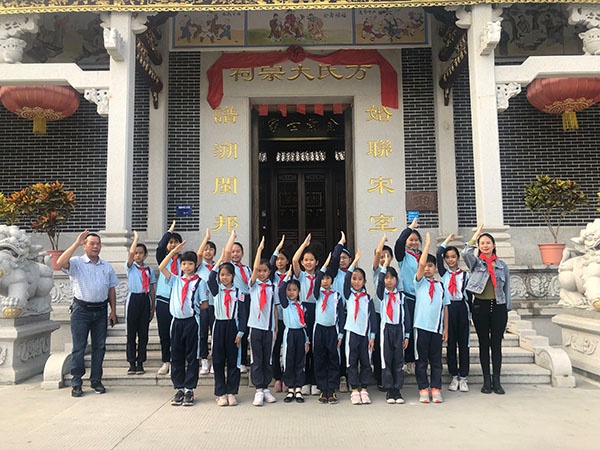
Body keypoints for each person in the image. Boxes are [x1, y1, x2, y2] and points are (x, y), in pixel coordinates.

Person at [57, 230, 119, 398]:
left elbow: (111, 289)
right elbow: (60, 262)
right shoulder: (77, 263)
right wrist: (76, 243)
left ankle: (96, 380)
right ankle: (77, 382)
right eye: (91, 243)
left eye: (98, 244)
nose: (95, 246)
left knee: (99, 347)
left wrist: (113, 311)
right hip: (81, 311)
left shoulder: (106, 266)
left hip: (101, 311)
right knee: (79, 347)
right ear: (85, 246)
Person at [462, 224, 511, 395]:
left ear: (494, 245)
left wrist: (507, 308)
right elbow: (465, 253)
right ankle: (486, 381)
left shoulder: (502, 265)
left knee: (496, 344)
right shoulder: (476, 263)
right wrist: (475, 237)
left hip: (498, 307)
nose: (485, 245)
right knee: (484, 344)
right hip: (480, 307)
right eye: (482, 243)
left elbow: (507, 288)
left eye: (488, 242)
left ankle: (497, 380)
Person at [159, 241, 208, 407]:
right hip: (177, 322)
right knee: (176, 355)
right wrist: (173, 252)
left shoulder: (200, 282)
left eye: (190, 264)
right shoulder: (175, 280)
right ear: (181, 265)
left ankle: (189, 389)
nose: (187, 267)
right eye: (184, 264)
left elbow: (204, 303)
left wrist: (199, 316)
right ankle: (179, 388)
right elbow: (162, 267)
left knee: (192, 356)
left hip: (192, 322)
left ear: (195, 265)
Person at [208, 233, 248, 407]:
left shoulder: (239, 293)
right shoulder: (216, 290)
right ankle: (220, 392)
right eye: (222, 275)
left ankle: (232, 391)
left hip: (233, 326)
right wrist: (219, 263)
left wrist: (241, 332)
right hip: (219, 326)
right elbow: (211, 277)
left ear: (233, 276)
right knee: (218, 360)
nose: (224, 277)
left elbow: (242, 314)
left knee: (233, 360)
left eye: (227, 275)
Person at [413, 233, 449, 404]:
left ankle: (436, 388)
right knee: (421, 361)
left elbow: (445, 308)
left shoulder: (441, 286)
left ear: (435, 268)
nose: (427, 268)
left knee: (436, 361)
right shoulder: (419, 283)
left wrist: (445, 328)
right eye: (425, 266)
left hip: (436, 329)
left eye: (430, 266)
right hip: (421, 327)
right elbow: (420, 265)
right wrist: (427, 245)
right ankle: (423, 388)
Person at [437, 233, 471, 392]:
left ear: (458, 258)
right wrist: (446, 241)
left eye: (453, 257)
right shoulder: (444, 274)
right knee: (450, 344)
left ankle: (463, 377)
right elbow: (438, 253)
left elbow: (469, 296)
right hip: (448, 308)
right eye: (448, 257)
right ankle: (454, 375)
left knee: (463, 344)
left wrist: (470, 315)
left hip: (461, 308)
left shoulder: (465, 275)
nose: (450, 260)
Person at [343, 249, 377, 405]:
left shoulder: (368, 298)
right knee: (351, 361)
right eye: (354, 279)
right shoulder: (348, 295)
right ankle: (354, 389)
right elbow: (346, 279)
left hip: (365, 334)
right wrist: (354, 261)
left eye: (360, 279)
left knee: (365, 362)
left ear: (365, 281)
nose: (356, 282)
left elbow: (372, 318)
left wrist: (372, 336)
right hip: (352, 333)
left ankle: (364, 388)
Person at [248, 237, 278, 407]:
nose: (261, 273)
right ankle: (258, 389)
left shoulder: (273, 287)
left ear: (269, 272)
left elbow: (275, 308)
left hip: (269, 328)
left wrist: (276, 328)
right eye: (259, 270)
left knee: (267, 358)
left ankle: (266, 387)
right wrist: (259, 250)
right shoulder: (253, 285)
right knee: (257, 358)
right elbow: (254, 269)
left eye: (264, 271)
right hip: (255, 327)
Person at [313, 249, 346, 404]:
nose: (325, 281)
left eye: (328, 278)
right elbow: (317, 280)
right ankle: (322, 388)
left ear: (332, 280)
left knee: (333, 358)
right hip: (319, 329)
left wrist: (341, 334)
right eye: (323, 278)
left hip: (333, 330)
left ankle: (332, 388)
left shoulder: (336, 296)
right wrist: (325, 265)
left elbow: (341, 316)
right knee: (320, 358)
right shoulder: (317, 294)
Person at [377, 253, 410, 404]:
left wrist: (407, 335)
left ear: (397, 280)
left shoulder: (401, 296)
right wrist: (384, 266)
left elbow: (406, 316)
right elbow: (379, 282)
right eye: (386, 278)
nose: (389, 280)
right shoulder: (382, 295)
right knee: (387, 359)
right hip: (386, 330)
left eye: (392, 278)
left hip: (399, 330)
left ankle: (397, 389)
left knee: (398, 360)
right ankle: (389, 389)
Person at [125, 231, 156, 375]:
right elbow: (130, 254)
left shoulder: (149, 270)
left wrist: (153, 306)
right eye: (136, 253)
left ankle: (140, 362)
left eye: (141, 253)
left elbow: (152, 288)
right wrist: (135, 240)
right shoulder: (130, 267)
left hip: (145, 300)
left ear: (145, 255)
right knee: (131, 333)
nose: (138, 255)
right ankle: (131, 362)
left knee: (143, 333)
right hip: (133, 299)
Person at [155, 220, 183, 376]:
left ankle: (177, 360)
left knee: (178, 333)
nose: (173, 245)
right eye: (170, 242)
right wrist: (169, 231)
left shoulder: (185, 261)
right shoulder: (163, 259)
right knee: (164, 332)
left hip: (178, 300)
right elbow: (160, 247)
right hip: (164, 299)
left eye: (175, 242)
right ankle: (166, 361)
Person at [292, 234, 319, 396]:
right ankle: (303, 381)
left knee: (315, 347)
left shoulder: (320, 277)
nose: (308, 262)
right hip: (302, 311)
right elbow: (294, 260)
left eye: (311, 260)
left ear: (316, 262)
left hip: (317, 311)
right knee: (303, 348)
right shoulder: (301, 275)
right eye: (306, 260)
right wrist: (304, 245)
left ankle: (314, 381)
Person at [279, 267, 310, 403]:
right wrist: (288, 276)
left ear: (299, 291)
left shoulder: (302, 306)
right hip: (290, 334)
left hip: (300, 334)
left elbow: (305, 325)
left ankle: (298, 388)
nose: (291, 292)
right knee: (289, 360)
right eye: (289, 290)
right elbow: (280, 290)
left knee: (300, 361)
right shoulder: (286, 304)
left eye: (294, 290)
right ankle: (290, 388)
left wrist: (307, 340)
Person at [394, 217, 422, 371]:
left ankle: (420, 358)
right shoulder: (403, 256)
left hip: (422, 298)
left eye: (416, 240)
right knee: (408, 328)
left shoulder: (423, 256)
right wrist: (410, 228)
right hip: (408, 297)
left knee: (420, 329)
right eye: (411, 240)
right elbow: (399, 242)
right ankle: (408, 359)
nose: (414, 242)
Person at [226, 231, 252, 373]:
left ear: (242, 253)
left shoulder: (247, 268)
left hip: (247, 300)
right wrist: (232, 238)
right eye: (233, 251)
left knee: (245, 330)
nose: (235, 254)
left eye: (238, 251)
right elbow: (226, 253)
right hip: (235, 300)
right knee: (238, 330)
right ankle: (237, 360)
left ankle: (243, 360)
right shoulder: (229, 267)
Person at [371, 233, 394, 392]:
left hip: (391, 316)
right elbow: (378, 252)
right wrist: (383, 239)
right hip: (378, 313)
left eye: (387, 256)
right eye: (381, 256)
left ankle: (390, 377)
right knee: (379, 347)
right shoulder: (377, 271)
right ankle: (379, 377)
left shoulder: (393, 274)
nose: (384, 258)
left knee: (389, 347)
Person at [269, 235, 290, 393]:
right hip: (276, 316)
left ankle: (287, 377)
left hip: (290, 316)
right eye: (278, 259)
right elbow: (270, 263)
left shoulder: (292, 275)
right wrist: (276, 249)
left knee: (288, 348)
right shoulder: (272, 276)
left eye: (283, 259)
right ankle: (277, 377)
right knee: (276, 348)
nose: (279, 262)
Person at [196, 228, 216, 375]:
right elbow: (198, 254)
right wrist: (206, 238)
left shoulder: (218, 266)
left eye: (211, 249)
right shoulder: (199, 266)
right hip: (203, 305)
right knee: (202, 334)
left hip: (216, 305)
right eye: (206, 249)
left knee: (216, 335)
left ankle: (215, 360)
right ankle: (204, 359)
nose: (208, 252)